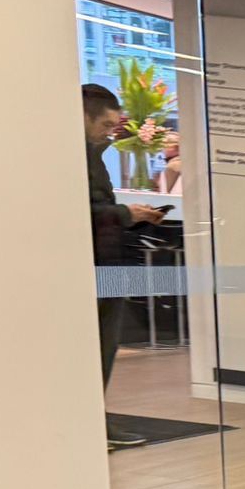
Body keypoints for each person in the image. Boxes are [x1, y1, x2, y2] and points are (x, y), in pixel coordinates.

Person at [84, 82, 165, 449]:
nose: (109, 133)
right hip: (95, 266)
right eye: (105, 125)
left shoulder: (94, 158)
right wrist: (123, 213)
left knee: (105, 347)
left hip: (107, 262)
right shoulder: (76, 160)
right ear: (84, 118)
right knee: (96, 348)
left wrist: (131, 217)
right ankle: (90, 423)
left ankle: (95, 419)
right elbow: (76, 213)